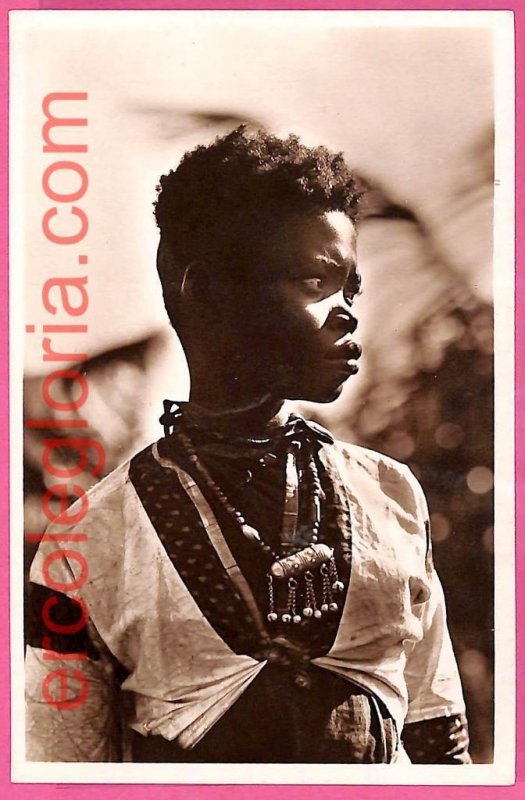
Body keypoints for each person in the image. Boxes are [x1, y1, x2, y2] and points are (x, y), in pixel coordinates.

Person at [25, 127, 470, 764]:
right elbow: (61, 768)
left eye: (351, 289)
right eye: (315, 282)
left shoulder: (390, 494)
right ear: (208, 292)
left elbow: (438, 737)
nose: (347, 313)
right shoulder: (91, 538)